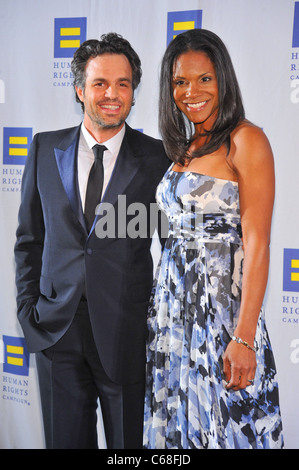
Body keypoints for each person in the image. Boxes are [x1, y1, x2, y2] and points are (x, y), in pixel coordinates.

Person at [14, 33, 169, 449]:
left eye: (123, 84)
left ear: (134, 93)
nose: (112, 95)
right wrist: (29, 310)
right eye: (100, 83)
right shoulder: (45, 148)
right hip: (56, 334)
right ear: (80, 90)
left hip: (125, 333)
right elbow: (29, 239)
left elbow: (171, 246)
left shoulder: (158, 157)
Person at [143, 29, 284, 449]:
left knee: (227, 429)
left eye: (204, 78)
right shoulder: (185, 146)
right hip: (172, 319)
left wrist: (242, 338)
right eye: (180, 82)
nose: (192, 92)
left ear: (223, 77)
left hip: (221, 318)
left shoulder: (246, 140)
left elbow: (257, 244)